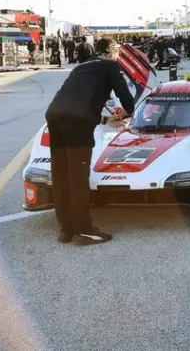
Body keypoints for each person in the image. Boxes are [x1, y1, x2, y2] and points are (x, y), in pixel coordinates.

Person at [44, 37, 136, 245]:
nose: (118, 57)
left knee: (62, 175)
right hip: (77, 122)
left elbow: (75, 101)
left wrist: (103, 119)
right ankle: (83, 230)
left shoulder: (80, 67)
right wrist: (134, 114)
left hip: (54, 116)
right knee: (77, 176)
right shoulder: (109, 65)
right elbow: (125, 96)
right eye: (118, 52)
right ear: (111, 51)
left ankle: (66, 230)